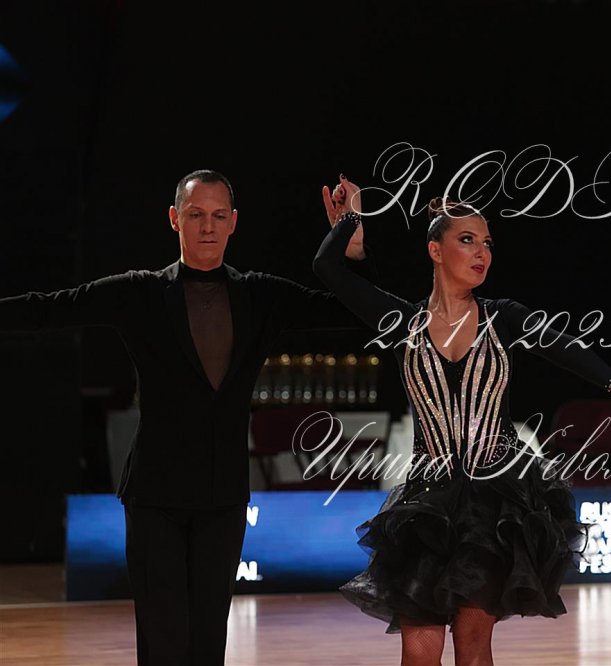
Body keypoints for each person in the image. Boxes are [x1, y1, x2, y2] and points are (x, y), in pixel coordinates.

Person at [0, 170, 371, 666]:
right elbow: (50, 308)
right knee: (163, 641)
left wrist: (350, 245)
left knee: (207, 643)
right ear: (175, 219)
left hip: (223, 497)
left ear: (234, 222)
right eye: (196, 215)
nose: (207, 226)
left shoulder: (260, 295)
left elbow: (356, 313)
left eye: (218, 216)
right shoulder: (139, 292)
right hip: (155, 497)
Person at [313, 175, 611, 666]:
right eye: (467, 240)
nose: (481, 252)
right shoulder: (402, 323)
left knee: (473, 648)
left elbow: (563, 346)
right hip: (426, 507)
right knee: (419, 654)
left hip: (494, 505)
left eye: (487, 243)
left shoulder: (503, 317)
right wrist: (351, 223)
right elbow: (327, 269)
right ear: (435, 250)